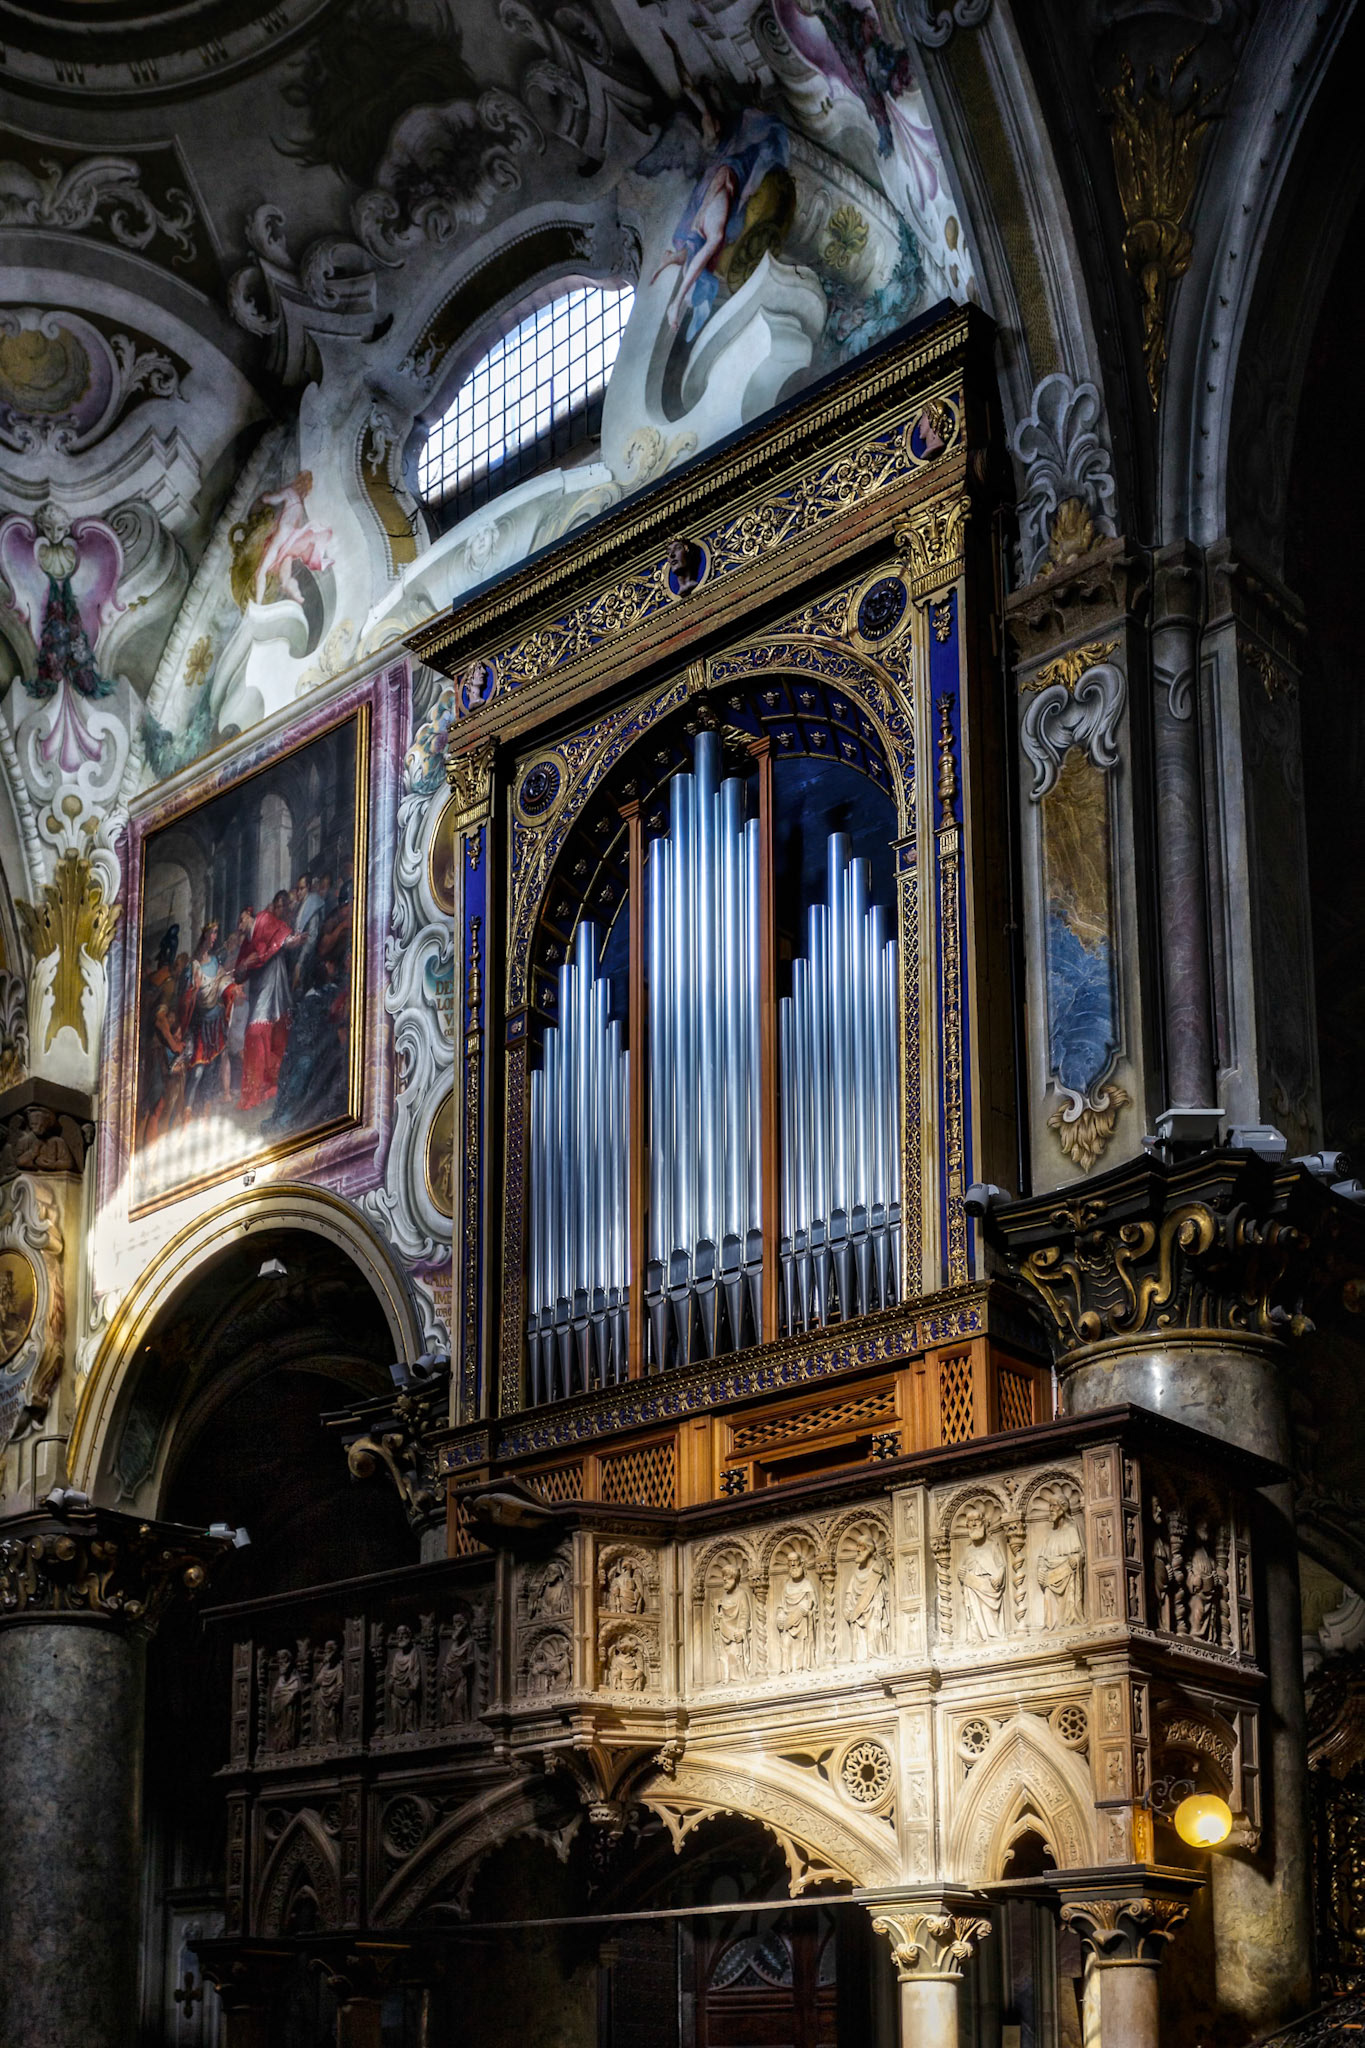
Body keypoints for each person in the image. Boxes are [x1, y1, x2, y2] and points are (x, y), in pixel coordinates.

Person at [232, 891, 304, 1112]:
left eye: (241, 920)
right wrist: (245, 964)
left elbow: (283, 936)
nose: (240, 925)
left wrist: (293, 940)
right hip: (260, 987)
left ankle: (270, 1083)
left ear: (248, 915)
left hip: (275, 979)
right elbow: (239, 973)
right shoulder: (246, 943)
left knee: (268, 1030)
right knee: (256, 1033)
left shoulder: (265, 919)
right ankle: (258, 1088)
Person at [1036, 1492, 1085, 1629]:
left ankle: (1068, 1621)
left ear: (1063, 1508)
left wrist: (1075, 1559)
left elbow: (1079, 1553)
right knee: (1050, 1604)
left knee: (1068, 1605)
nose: (1050, 1509)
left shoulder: (1071, 1529)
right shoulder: (1050, 1534)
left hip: (1066, 1575)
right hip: (1050, 1577)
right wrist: (1040, 1569)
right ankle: (1052, 1626)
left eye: (1053, 1506)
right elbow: (1042, 1557)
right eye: (1049, 1506)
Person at [958, 1505, 1006, 1642]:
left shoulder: (992, 1546)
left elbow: (1001, 1566)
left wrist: (999, 1576)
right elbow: (963, 1570)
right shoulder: (967, 1551)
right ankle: (978, 1637)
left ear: (984, 1523)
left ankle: (993, 1636)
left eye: (977, 1520)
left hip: (989, 1589)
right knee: (975, 1616)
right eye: (970, 1522)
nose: (973, 1524)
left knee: (988, 1614)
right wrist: (962, 1574)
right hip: (973, 1589)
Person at [843, 1534, 890, 1659]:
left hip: (874, 1612)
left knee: (874, 1632)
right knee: (859, 1643)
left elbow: (884, 1592)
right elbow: (849, 1593)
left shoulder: (877, 1569)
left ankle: (876, 1655)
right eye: (857, 1547)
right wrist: (847, 1608)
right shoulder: (856, 1573)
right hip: (858, 1616)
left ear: (869, 1549)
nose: (858, 1550)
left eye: (861, 1546)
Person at [775, 1549, 818, 1672]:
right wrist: (780, 1615)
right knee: (785, 1644)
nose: (793, 1565)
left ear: (801, 1564)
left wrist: (808, 1612)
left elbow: (815, 1609)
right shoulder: (786, 1586)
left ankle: (801, 1668)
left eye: (795, 1562)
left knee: (800, 1646)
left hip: (803, 1626)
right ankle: (786, 1670)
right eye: (790, 1562)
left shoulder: (807, 1585)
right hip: (788, 1625)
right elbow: (780, 1606)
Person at [713, 1562, 753, 1683]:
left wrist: (741, 1630)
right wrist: (717, 1616)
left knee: (734, 1657)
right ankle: (725, 1679)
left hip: (735, 1634)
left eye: (728, 1576)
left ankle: (736, 1680)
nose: (724, 1579)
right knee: (723, 1657)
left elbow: (745, 1614)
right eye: (723, 1576)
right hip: (723, 1633)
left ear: (735, 1579)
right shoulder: (724, 1596)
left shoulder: (741, 1594)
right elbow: (723, 1615)